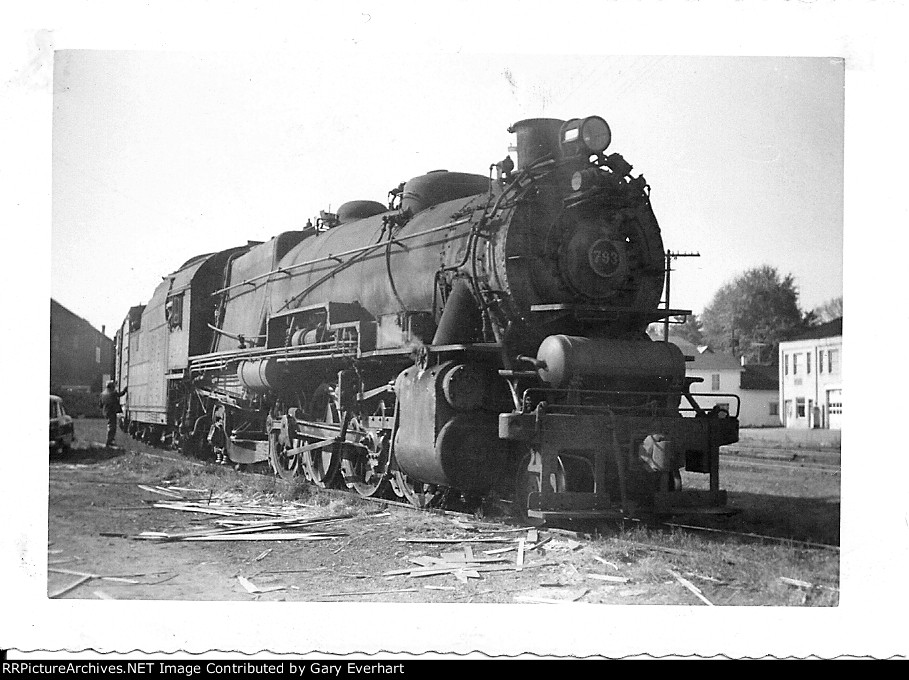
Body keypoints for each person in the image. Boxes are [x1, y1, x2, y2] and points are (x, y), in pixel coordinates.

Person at [99, 381, 125, 447]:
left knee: (110, 425)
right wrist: (125, 390)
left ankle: (110, 440)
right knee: (112, 426)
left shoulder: (102, 394)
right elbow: (120, 394)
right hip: (111, 412)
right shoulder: (113, 393)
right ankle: (109, 441)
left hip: (105, 412)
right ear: (111, 386)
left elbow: (100, 405)